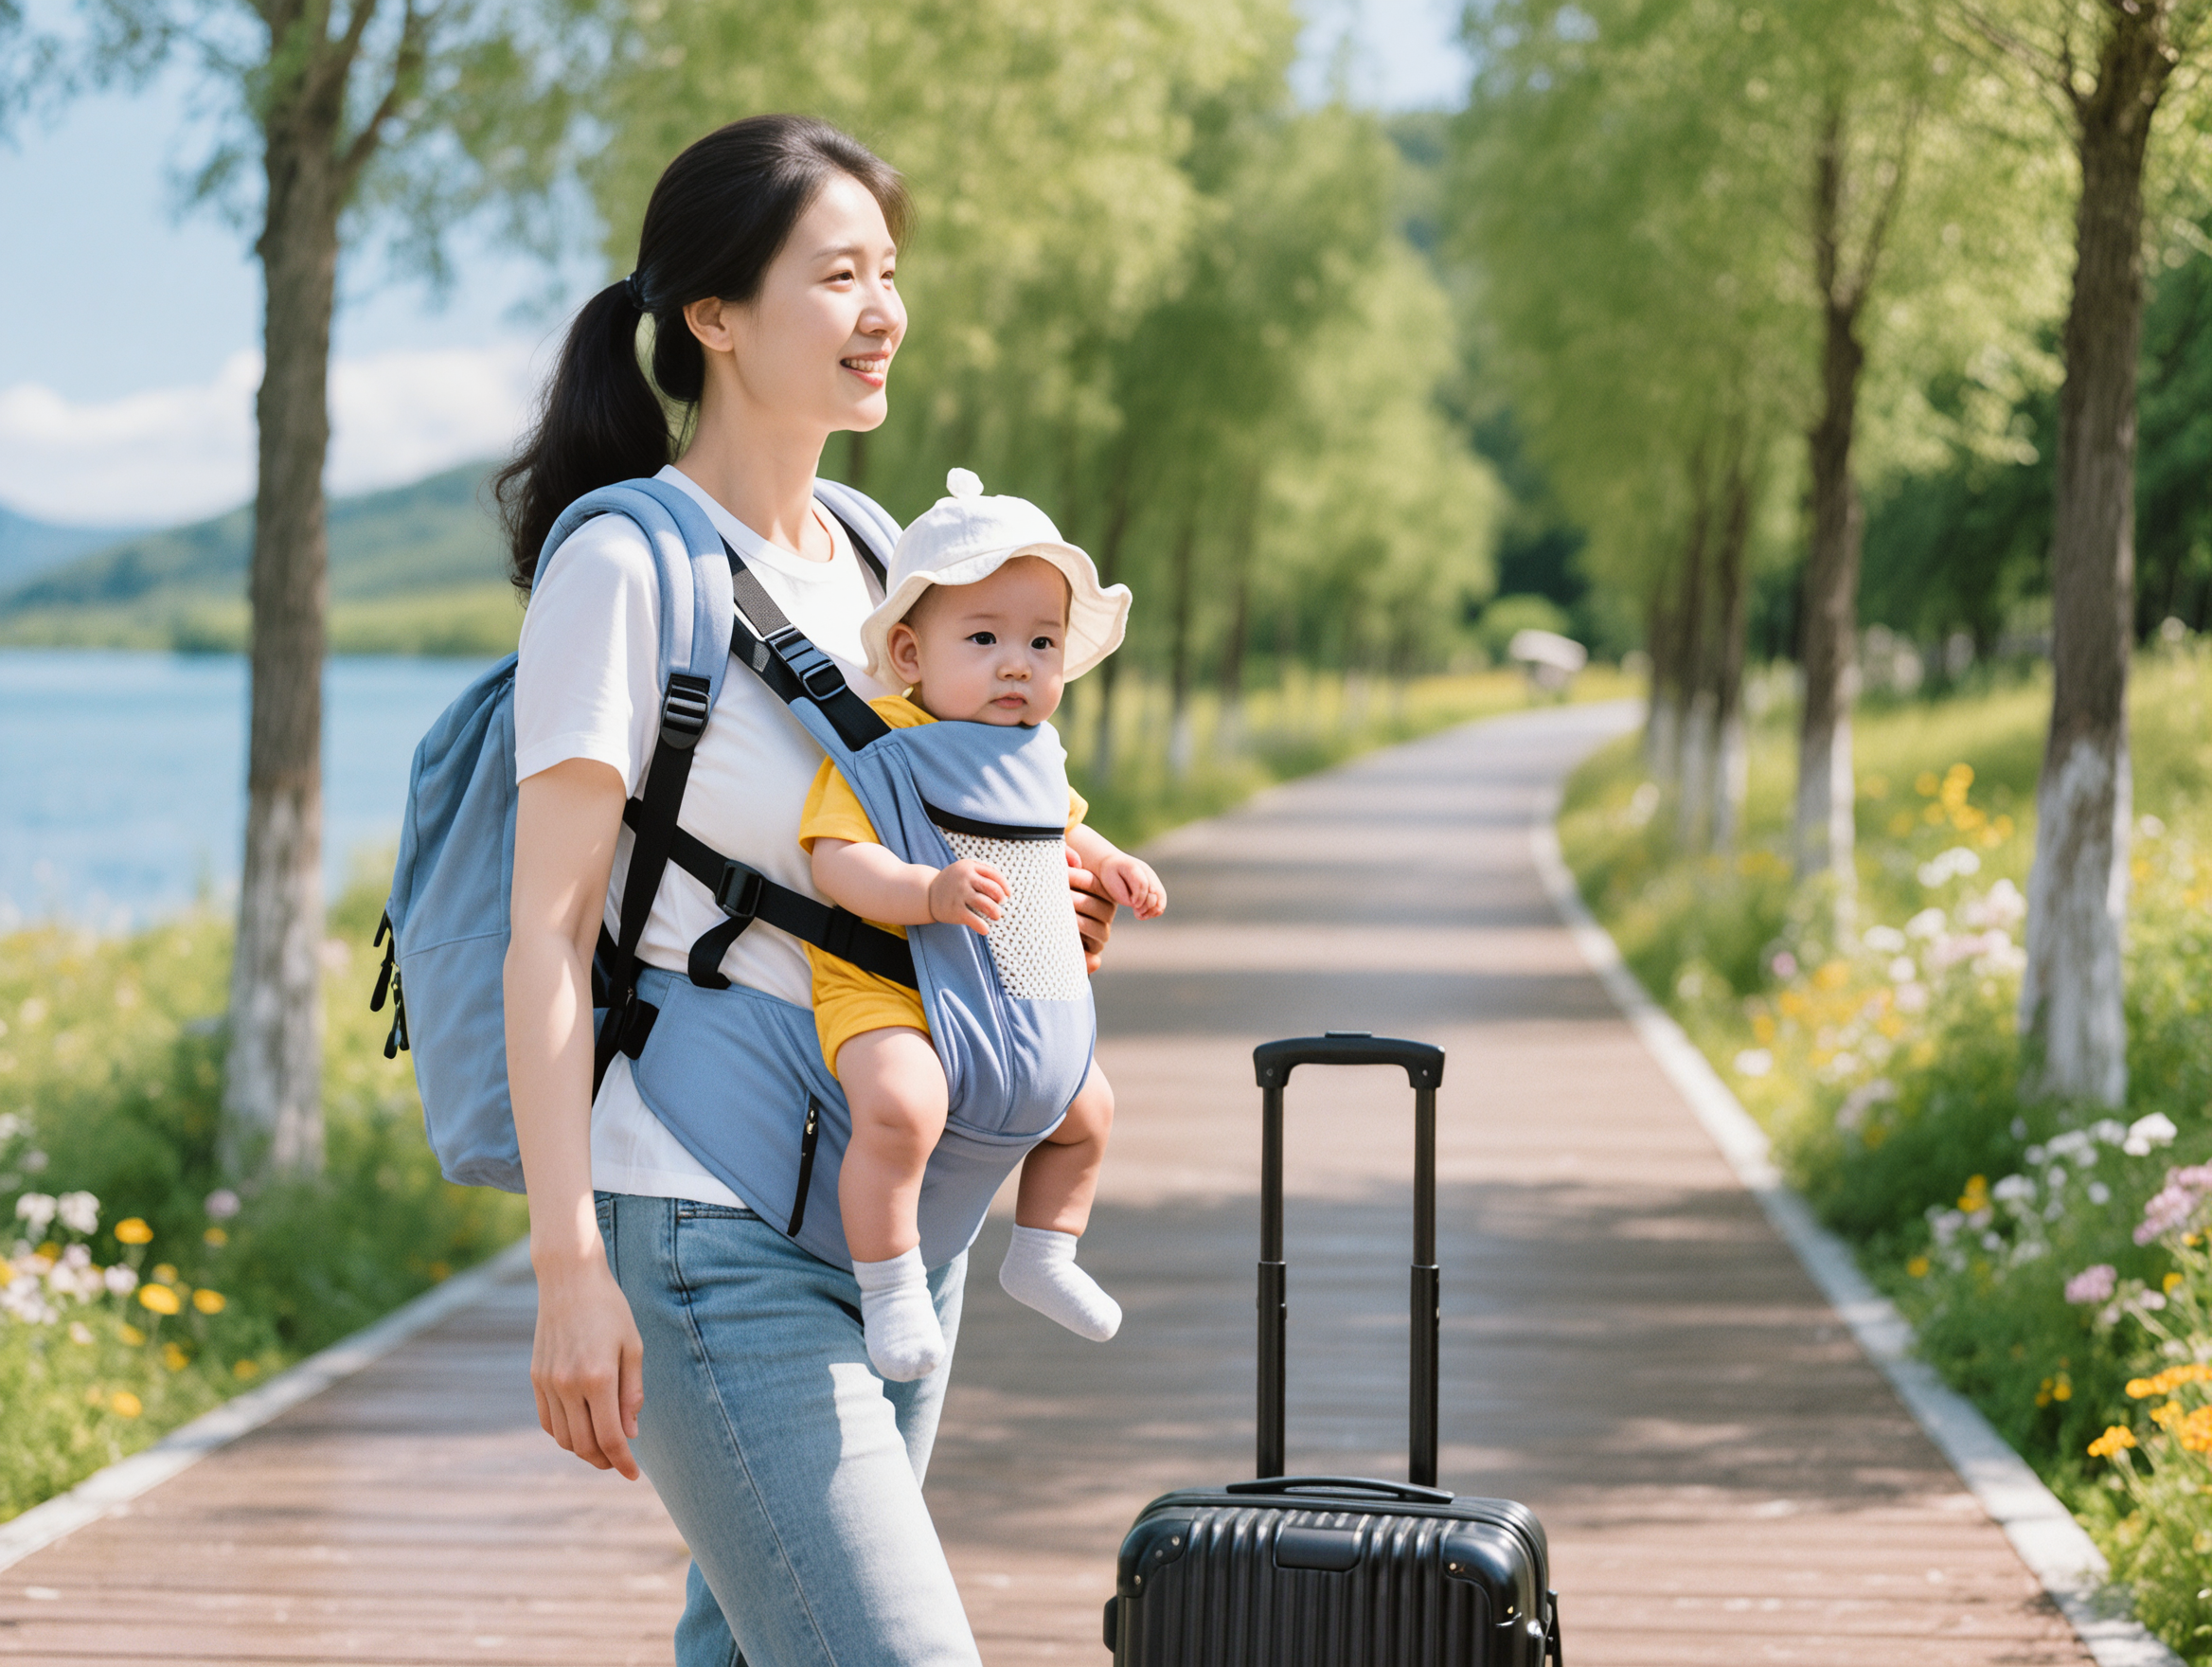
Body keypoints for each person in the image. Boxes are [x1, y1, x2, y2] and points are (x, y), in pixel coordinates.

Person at [494, 116, 1117, 1666]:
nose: (882, 309)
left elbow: (947, 809)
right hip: (709, 1216)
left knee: (763, 1643)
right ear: (713, 315)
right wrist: (568, 1268)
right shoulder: (627, 568)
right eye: (838, 274)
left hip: (904, 1201)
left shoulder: (879, 554)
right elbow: (550, 936)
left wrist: (1043, 892)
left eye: (889, 272)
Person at [800, 471, 1166, 1381]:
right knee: (902, 1106)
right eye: (985, 638)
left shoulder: (1033, 753)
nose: (1019, 663)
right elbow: (834, 859)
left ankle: (1044, 1253)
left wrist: (1115, 864)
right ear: (912, 656)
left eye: (1043, 642)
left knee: (1088, 1109)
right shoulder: (881, 745)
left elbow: (1066, 826)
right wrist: (924, 891)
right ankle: (889, 1289)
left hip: (1002, 992)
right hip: (891, 986)